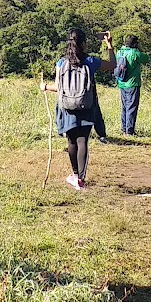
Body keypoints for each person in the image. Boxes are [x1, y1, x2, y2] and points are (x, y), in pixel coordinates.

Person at [41, 28, 115, 190]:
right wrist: (109, 46)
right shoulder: (91, 62)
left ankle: (75, 175)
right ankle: (81, 178)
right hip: (86, 106)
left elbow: (58, 87)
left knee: (71, 141)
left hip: (67, 107)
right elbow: (112, 65)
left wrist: (44, 86)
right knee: (83, 141)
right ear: (83, 43)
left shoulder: (61, 63)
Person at [114, 36, 151, 135]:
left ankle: (124, 128)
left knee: (124, 107)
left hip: (122, 83)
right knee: (132, 107)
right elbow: (147, 59)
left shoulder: (119, 52)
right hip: (132, 83)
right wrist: (140, 48)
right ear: (135, 43)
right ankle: (129, 131)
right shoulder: (135, 53)